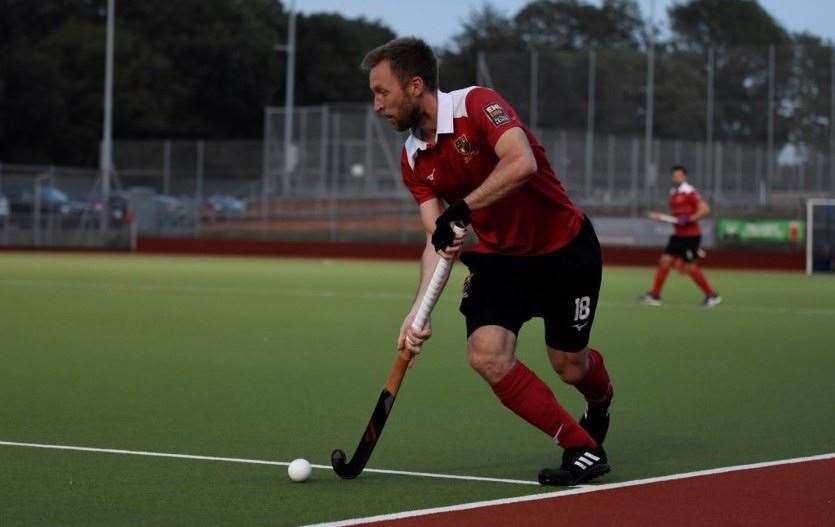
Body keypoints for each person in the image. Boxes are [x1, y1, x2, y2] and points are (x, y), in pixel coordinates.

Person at [361, 37, 614, 486]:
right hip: (500, 261)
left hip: (565, 251)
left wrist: (463, 208)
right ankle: (581, 447)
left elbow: (520, 163)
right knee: (486, 355)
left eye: (382, 92)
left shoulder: (478, 105)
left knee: (570, 366)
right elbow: (436, 237)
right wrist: (418, 312)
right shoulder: (413, 158)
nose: (377, 105)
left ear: (415, 85)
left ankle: (600, 403)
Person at [640, 165, 722, 308]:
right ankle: (655, 295)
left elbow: (705, 209)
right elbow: (676, 217)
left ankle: (712, 295)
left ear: (684, 177)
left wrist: (690, 218)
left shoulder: (689, 191)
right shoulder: (673, 193)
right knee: (665, 261)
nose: (676, 178)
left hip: (691, 236)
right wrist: (663, 218)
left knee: (690, 267)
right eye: (674, 176)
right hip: (678, 235)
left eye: (679, 176)